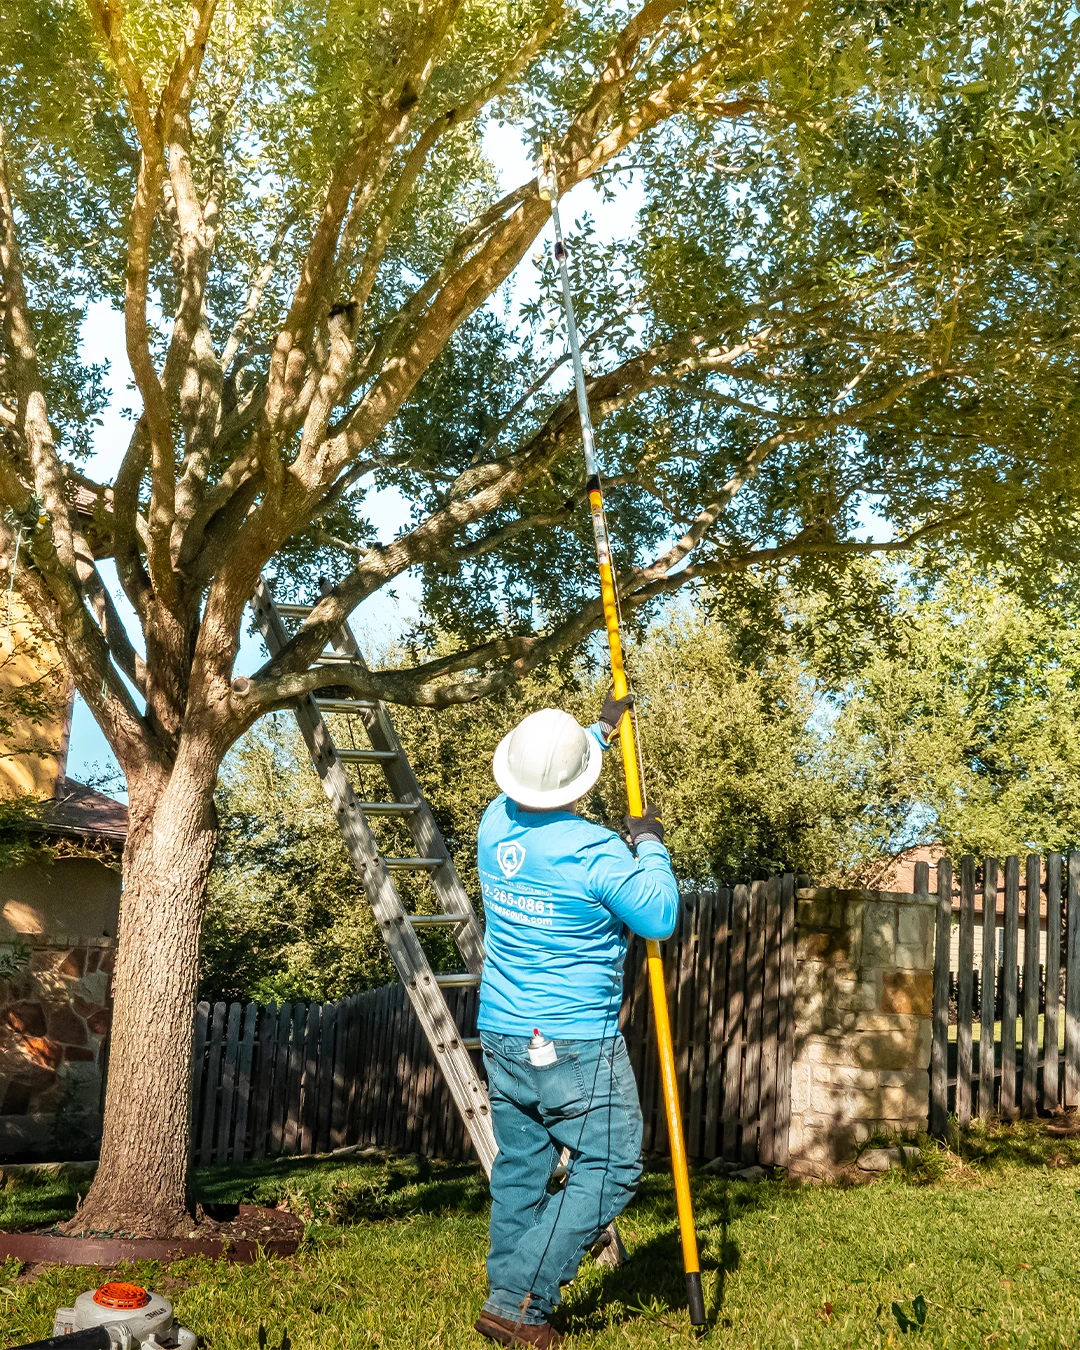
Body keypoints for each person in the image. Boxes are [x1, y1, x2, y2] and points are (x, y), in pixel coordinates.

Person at [473, 694, 680, 1349]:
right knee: (613, 1164)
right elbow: (660, 916)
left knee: (522, 1168)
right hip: (571, 1042)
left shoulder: (492, 824)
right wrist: (650, 846)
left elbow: (543, 781)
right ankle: (519, 1301)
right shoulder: (596, 853)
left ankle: (506, 1297)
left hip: (505, 1034)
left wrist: (597, 731)